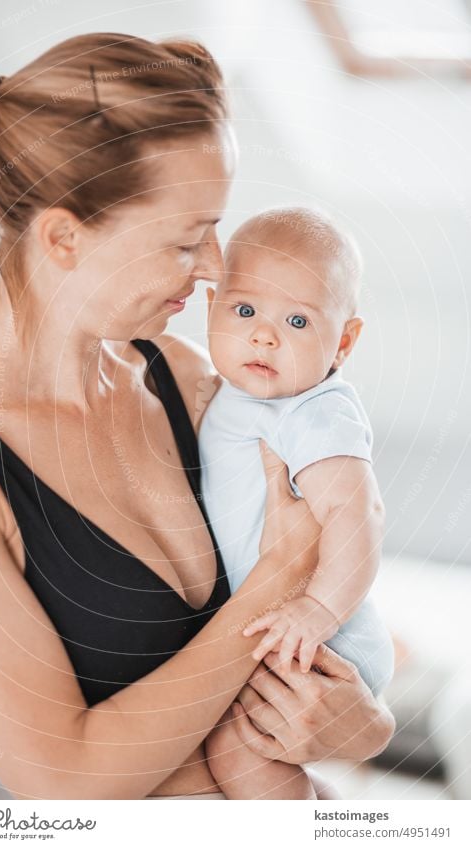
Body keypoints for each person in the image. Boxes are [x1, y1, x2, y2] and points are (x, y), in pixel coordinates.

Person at [0, 34, 394, 800]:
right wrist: (272, 585)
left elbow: (340, 572)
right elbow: (65, 782)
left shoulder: (184, 377)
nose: (217, 266)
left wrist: (362, 725)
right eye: (186, 240)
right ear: (62, 237)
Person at [199, 207, 394, 798]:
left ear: (344, 342)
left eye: (298, 321)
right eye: (245, 310)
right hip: (291, 623)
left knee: (236, 747)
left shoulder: (315, 409)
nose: (265, 334)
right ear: (212, 308)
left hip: (320, 634)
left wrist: (317, 611)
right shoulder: (238, 394)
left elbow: (358, 514)